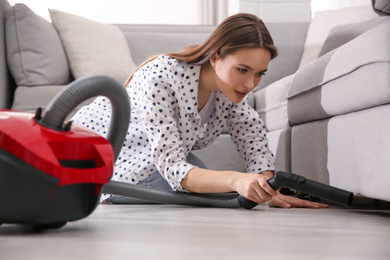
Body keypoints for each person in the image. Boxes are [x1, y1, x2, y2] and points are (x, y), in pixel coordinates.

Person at [72, 13, 328, 209]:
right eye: (242, 70)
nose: (250, 84)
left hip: (153, 158)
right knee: (200, 185)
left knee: (201, 175)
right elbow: (172, 168)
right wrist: (237, 180)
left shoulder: (229, 91)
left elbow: (253, 140)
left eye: (259, 74)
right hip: (98, 159)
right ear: (215, 58)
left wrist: (269, 188)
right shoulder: (160, 78)